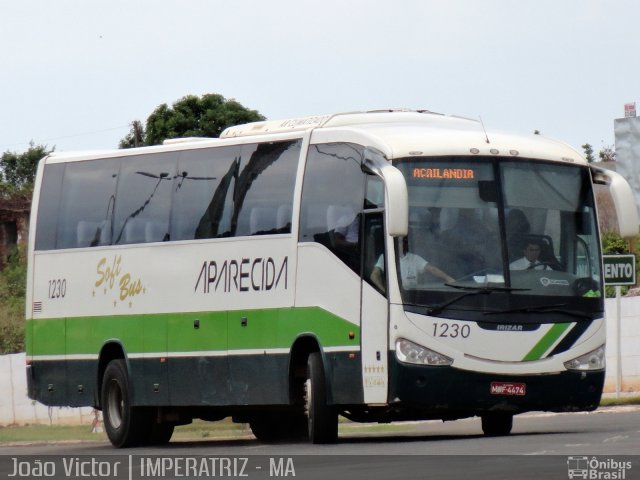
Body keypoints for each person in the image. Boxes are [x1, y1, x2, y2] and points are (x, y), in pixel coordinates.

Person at [370, 237, 454, 291]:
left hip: (412, 297)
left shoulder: (414, 258)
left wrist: (449, 278)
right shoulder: (385, 257)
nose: (400, 244)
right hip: (394, 296)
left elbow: (432, 269)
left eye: (401, 242)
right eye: (398, 242)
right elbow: (374, 276)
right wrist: (385, 292)